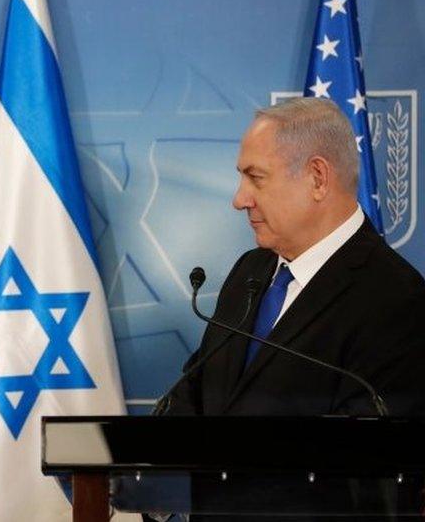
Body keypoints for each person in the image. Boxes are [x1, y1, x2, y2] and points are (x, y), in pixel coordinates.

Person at [167, 96, 425, 417]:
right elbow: (192, 393)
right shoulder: (250, 270)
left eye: (255, 177)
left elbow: (367, 453)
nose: (239, 199)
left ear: (317, 178)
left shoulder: (397, 299)